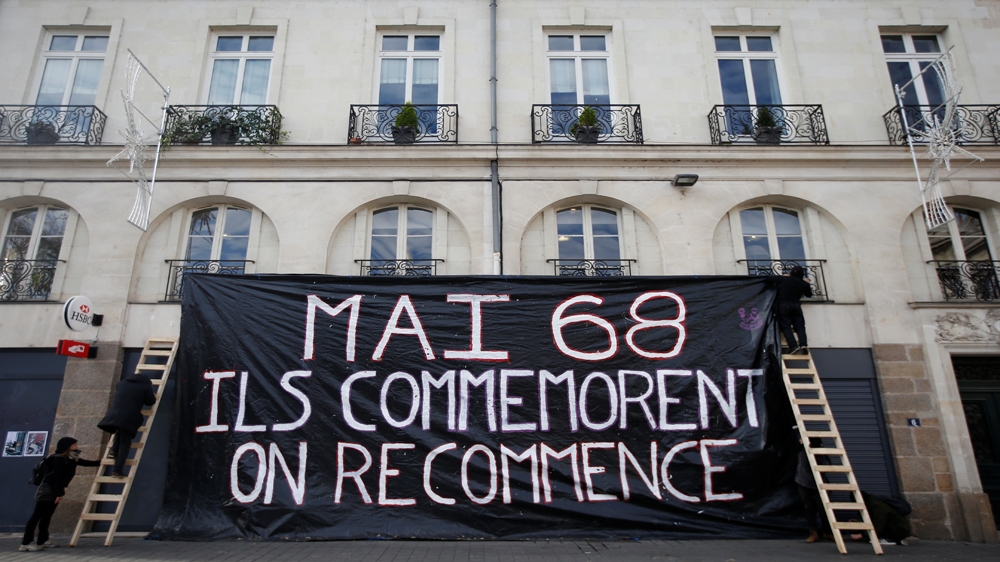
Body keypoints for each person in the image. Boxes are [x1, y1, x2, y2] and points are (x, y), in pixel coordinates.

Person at [20, 437, 100, 551]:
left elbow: (86, 463)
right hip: (48, 489)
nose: (76, 446)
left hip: (55, 489)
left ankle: (43, 539)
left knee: (47, 515)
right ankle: (26, 542)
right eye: (74, 445)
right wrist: (59, 493)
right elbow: (56, 477)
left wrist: (105, 461)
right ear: (67, 446)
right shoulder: (59, 459)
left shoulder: (71, 458)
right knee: (37, 515)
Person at [98, 372, 156, 477]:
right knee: (125, 443)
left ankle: (113, 451)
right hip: (129, 417)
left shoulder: (122, 383)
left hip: (114, 414)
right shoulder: (145, 386)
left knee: (119, 432)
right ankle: (117, 470)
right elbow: (150, 401)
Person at [795, 433, 832, 543]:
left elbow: (826, 466)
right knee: (809, 508)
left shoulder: (819, 452)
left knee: (823, 508)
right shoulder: (801, 451)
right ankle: (814, 533)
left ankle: (828, 532)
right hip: (803, 483)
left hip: (818, 483)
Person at [774, 265, 813, 354]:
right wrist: (806, 283)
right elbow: (809, 295)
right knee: (800, 326)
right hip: (796, 306)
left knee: (785, 326)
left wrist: (782, 277)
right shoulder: (803, 283)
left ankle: (793, 346)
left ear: (791, 273)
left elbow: (769, 279)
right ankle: (803, 345)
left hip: (783, 305)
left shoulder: (784, 279)